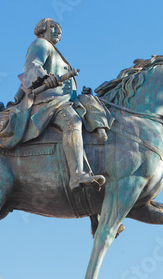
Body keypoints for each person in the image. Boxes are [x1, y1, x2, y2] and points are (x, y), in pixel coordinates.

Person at [13, 18, 105, 191]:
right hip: (48, 101)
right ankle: (77, 174)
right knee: (73, 121)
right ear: (43, 29)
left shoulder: (56, 52)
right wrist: (46, 77)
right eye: (54, 28)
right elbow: (32, 65)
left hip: (63, 100)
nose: (58, 31)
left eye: (60, 29)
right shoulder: (41, 44)